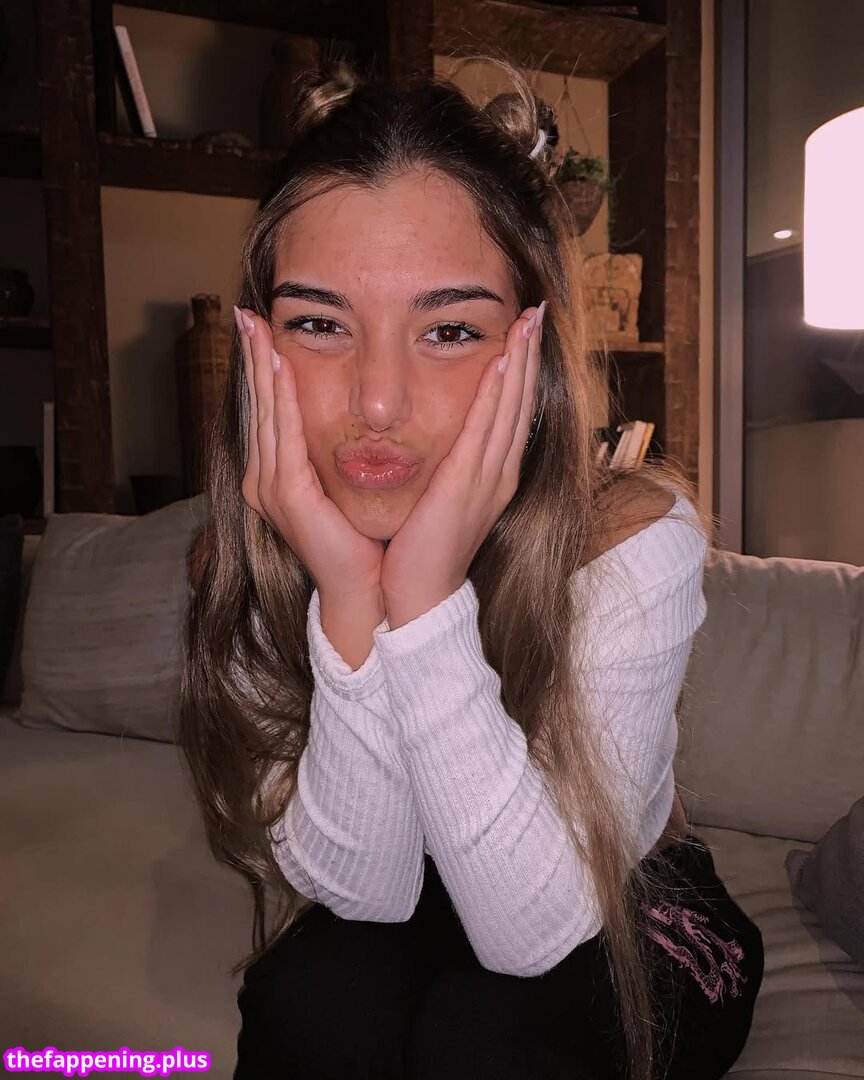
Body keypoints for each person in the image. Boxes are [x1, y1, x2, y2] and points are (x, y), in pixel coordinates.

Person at [178, 56, 764, 1080]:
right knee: (306, 1006)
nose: (377, 402)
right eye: (319, 324)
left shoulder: (629, 539)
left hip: (642, 903)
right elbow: (366, 891)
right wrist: (350, 595)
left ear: (530, 352)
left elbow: (534, 929)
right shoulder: (246, 560)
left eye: (449, 329)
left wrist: (423, 597)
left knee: (494, 1037)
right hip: (424, 902)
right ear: (258, 345)